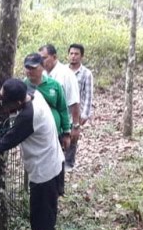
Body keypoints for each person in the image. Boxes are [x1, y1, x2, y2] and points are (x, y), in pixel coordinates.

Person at [0, 79, 64, 230]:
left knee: (39, 212)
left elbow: (3, 144)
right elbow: (12, 87)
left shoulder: (29, 116)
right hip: (54, 159)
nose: (5, 108)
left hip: (44, 168)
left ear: (19, 102)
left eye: (7, 105)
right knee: (48, 207)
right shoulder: (33, 93)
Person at [23, 53, 70, 196]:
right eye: (27, 68)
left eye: (33, 68)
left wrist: (67, 132)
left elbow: (62, 108)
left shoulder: (54, 85)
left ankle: (58, 189)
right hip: (35, 135)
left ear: (42, 67)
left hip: (55, 132)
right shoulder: (24, 86)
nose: (30, 71)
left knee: (56, 160)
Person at [38, 43, 81, 161]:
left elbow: (74, 102)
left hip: (63, 126)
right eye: (39, 58)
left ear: (54, 57)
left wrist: (75, 126)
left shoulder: (66, 74)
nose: (42, 61)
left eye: (44, 58)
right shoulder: (41, 74)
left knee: (61, 161)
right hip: (44, 125)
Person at [66, 43, 94, 169]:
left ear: (81, 56)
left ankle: (69, 165)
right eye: (71, 54)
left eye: (76, 54)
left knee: (73, 138)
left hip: (76, 112)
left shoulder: (86, 74)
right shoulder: (63, 71)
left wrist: (85, 114)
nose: (73, 57)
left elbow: (88, 95)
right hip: (62, 110)